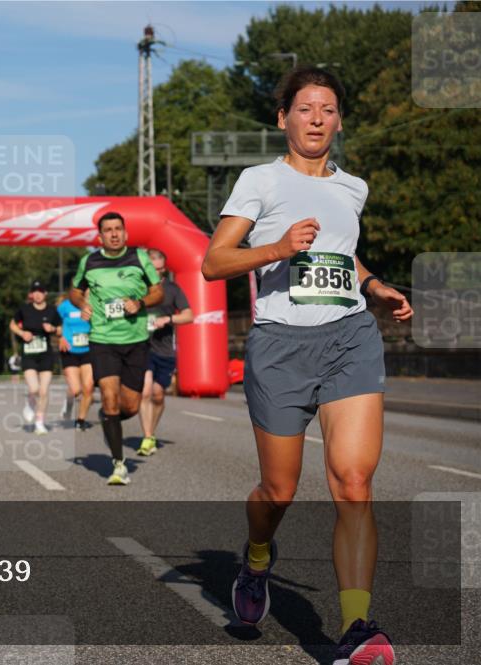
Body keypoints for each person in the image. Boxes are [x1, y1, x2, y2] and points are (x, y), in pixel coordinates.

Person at [202, 67, 413, 665]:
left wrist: (374, 285)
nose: (316, 117)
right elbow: (214, 263)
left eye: (327, 109)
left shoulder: (354, 188)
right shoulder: (258, 180)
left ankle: (355, 630)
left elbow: (342, 256)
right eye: (305, 108)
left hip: (349, 335)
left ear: (339, 121)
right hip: (280, 344)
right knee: (280, 488)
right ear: (284, 119)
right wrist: (276, 247)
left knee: (353, 480)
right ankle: (257, 559)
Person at [70, 213, 162, 485]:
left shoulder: (139, 257)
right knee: (110, 398)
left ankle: (109, 418)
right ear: (100, 236)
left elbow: (158, 292)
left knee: (130, 407)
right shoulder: (89, 261)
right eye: (108, 230)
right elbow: (75, 291)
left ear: (125, 233)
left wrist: (141, 302)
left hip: (134, 341)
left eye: (118, 229)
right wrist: (81, 304)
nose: (113, 234)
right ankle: (118, 463)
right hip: (103, 340)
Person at [137, 248, 194, 456]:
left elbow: (189, 315)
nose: (157, 271)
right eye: (152, 266)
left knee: (158, 395)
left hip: (164, 349)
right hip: (142, 346)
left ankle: (150, 433)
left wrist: (168, 320)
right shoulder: (138, 287)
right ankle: (147, 436)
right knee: (145, 391)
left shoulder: (172, 289)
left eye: (160, 267)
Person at [10, 281, 61, 435]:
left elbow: (60, 329)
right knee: (34, 389)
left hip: (45, 353)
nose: (38, 294)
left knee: (44, 392)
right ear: (31, 294)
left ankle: (39, 422)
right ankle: (30, 404)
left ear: (45, 293)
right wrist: (22, 333)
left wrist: (52, 328)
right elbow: (12, 325)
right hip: (29, 353)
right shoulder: (25, 309)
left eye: (40, 291)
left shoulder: (52, 310)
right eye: (35, 291)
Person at [56, 292, 94, 430]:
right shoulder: (65, 306)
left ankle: (80, 420)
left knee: (88, 387)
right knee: (76, 389)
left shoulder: (95, 305)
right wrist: (60, 336)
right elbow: (55, 322)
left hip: (89, 350)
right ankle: (68, 404)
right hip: (69, 350)